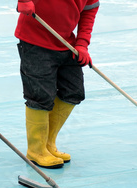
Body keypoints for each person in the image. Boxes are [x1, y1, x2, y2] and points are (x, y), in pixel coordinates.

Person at [15, 0, 100, 168]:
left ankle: (47, 143)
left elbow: (89, 12)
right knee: (40, 96)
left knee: (73, 92)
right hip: (35, 42)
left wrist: (82, 44)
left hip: (66, 43)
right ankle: (36, 150)